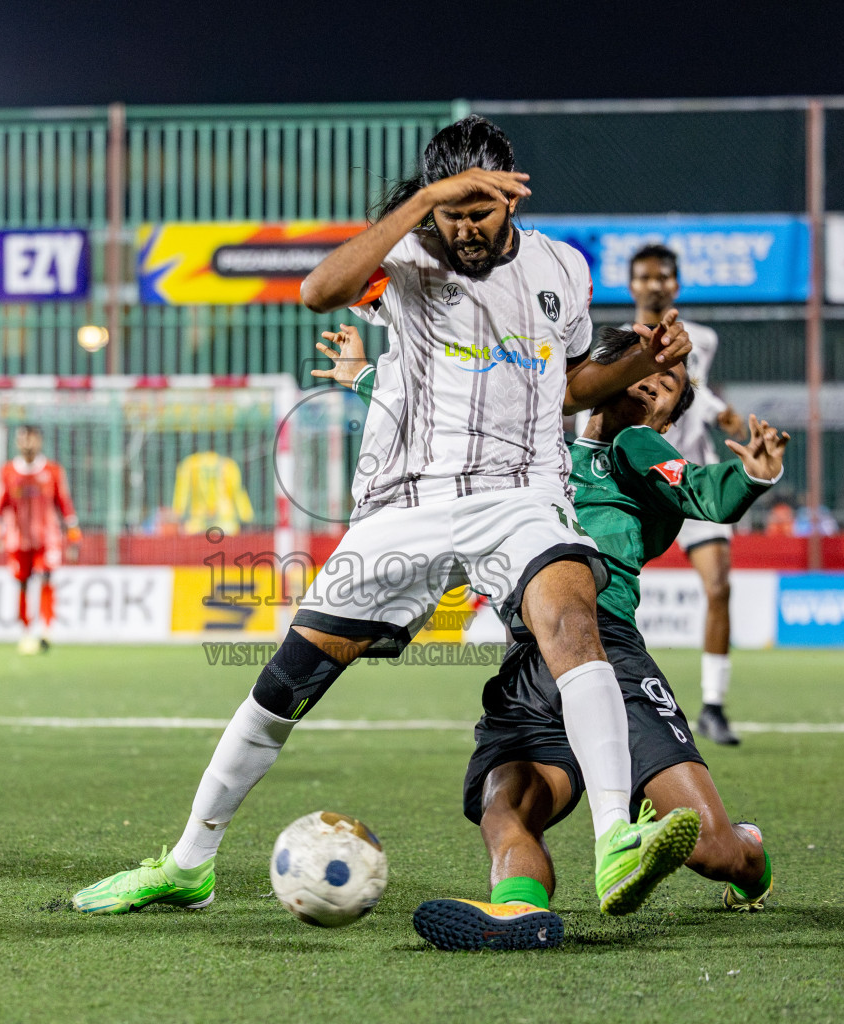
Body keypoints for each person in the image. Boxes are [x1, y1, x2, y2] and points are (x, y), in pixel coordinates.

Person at [72, 116, 697, 918]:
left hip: (519, 495)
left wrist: (646, 358)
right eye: (452, 213)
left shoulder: (559, 268)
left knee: (571, 619)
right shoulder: (405, 257)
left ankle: (616, 840)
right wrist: (423, 204)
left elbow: (569, 381)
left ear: (513, 198)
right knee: (285, 684)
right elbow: (316, 291)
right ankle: (189, 863)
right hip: (408, 503)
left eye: (481, 212)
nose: (466, 229)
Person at [324, 324, 783, 949]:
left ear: (673, 417)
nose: (652, 379)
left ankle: (748, 856)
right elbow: (448, 421)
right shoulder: (534, 448)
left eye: (669, 382)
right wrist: (362, 378)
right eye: (637, 365)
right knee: (506, 804)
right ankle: (518, 909)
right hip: (527, 659)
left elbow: (703, 492)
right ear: (597, 375)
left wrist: (748, 478)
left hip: (605, 646)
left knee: (710, 849)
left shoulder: (639, 453)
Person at [628, 243, 748, 746]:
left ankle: (713, 706)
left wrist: (723, 411)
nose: (655, 284)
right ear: (632, 284)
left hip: (694, 477)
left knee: (719, 587)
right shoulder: (619, 342)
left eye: (663, 277)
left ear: (675, 284)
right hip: (638, 479)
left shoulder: (702, 339)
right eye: (645, 277)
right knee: (603, 593)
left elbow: (696, 387)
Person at [0, 424, 81, 654]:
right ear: (17, 443)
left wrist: (74, 536)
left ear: (39, 441)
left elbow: (64, 504)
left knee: (47, 576)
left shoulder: (53, 471)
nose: (28, 443)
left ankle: (47, 630)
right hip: (17, 538)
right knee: (22, 582)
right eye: (23, 439)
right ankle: (26, 631)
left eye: (32, 439)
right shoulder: (8, 472)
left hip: (47, 538)